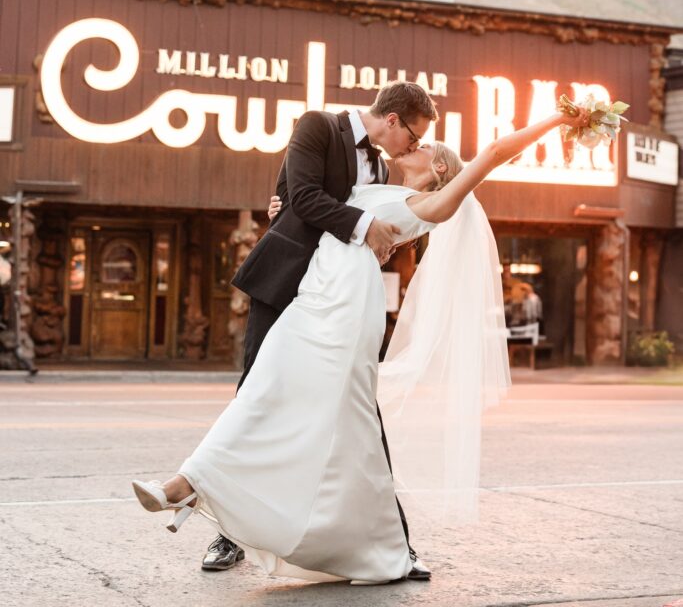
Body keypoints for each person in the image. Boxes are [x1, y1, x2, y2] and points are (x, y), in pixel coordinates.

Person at [132, 101, 590, 585]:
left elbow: (496, 151)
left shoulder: (434, 203)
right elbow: (313, 198)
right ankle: (204, 493)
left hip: (345, 311)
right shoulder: (372, 180)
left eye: (423, 144)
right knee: (272, 393)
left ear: (438, 165)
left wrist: (561, 120)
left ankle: (192, 487)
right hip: (312, 296)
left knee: (322, 409)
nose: (413, 145)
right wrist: (283, 206)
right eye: (414, 135)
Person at [199, 82, 438, 573]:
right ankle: (229, 534)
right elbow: (299, 197)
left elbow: (300, 204)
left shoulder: (380, 166)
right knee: (255, 397)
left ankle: (395, 542)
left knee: (358, 408)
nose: (412, 148)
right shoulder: (316, 126)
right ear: (392, 120)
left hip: (339, 296)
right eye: (413, 136)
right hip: (286, 283)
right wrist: (362, 226)